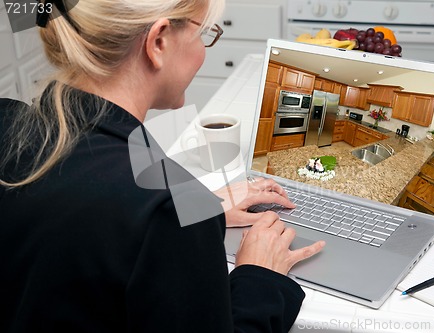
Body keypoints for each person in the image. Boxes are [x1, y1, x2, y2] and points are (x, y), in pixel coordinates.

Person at [0, 0, 325, 332]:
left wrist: (198, 204)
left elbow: (97, 160)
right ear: (159, 42)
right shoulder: (162, 214)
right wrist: (261, 276)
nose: (203, 50)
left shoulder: (8, 119)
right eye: (204, 34)